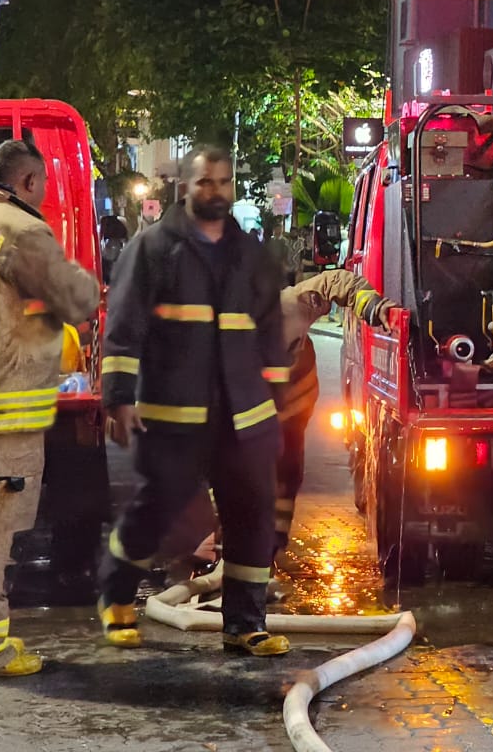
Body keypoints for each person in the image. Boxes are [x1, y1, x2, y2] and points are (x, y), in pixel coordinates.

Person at [97, 146, 293, 657]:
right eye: (206, 182)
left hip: (243, 416)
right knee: (156, 511)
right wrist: (118, 399)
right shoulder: (154, 248)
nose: (216, 192)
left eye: (224, 183)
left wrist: (275, 399)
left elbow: (270, 330)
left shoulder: (249, 253)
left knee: (251, 515)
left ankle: (245, 625)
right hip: (173, 416)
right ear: (185, 187)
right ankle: (117, 601)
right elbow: (123, 329)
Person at [0, 141, 100, 676]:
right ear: (29, 181)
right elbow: (75, 298)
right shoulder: (20, 229)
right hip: (1, 413)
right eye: (45, 185)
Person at [273, 271, 398, 558]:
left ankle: (273, 544)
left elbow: (337, 282)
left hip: (297, 396)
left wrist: (372, 306)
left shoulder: (292, 304)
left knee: (288, 469)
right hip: (257, 406)